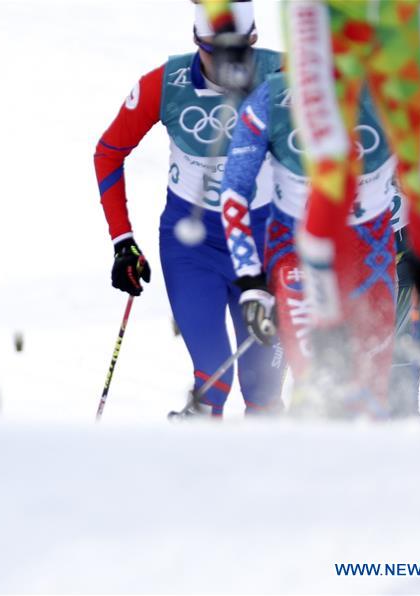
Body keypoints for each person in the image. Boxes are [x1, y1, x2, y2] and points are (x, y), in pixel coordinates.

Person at [221, 72, 420, 416]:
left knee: (397, 395)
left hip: (398, 268)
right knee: (321, 386)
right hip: (326, 266)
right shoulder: (308, 107)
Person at [93, 0, 285, 417]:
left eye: (239, 53)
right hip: (193, 249)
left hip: (267, 244)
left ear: (253, 41)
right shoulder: (167, 83)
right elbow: (108, 152)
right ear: (198, 43)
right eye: (216, 54)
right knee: (214, 377)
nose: (228, 67)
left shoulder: (285, 75)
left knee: (263, 388)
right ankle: (198, 446)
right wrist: (123, 241)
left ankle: (272, 456)